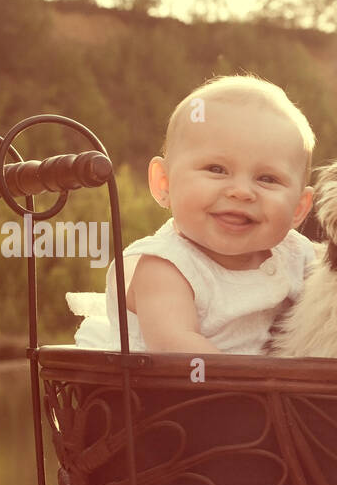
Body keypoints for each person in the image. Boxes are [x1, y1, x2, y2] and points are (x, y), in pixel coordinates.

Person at [69, 74, 315, 354]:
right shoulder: (166, 267)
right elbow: (180, 351)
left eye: (268, 178)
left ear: (299, 208)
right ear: (164, 183)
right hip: (178, 395)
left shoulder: (298, 255)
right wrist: (269, 390)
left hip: (271, 394)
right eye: (217, 169)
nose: (241, 192)